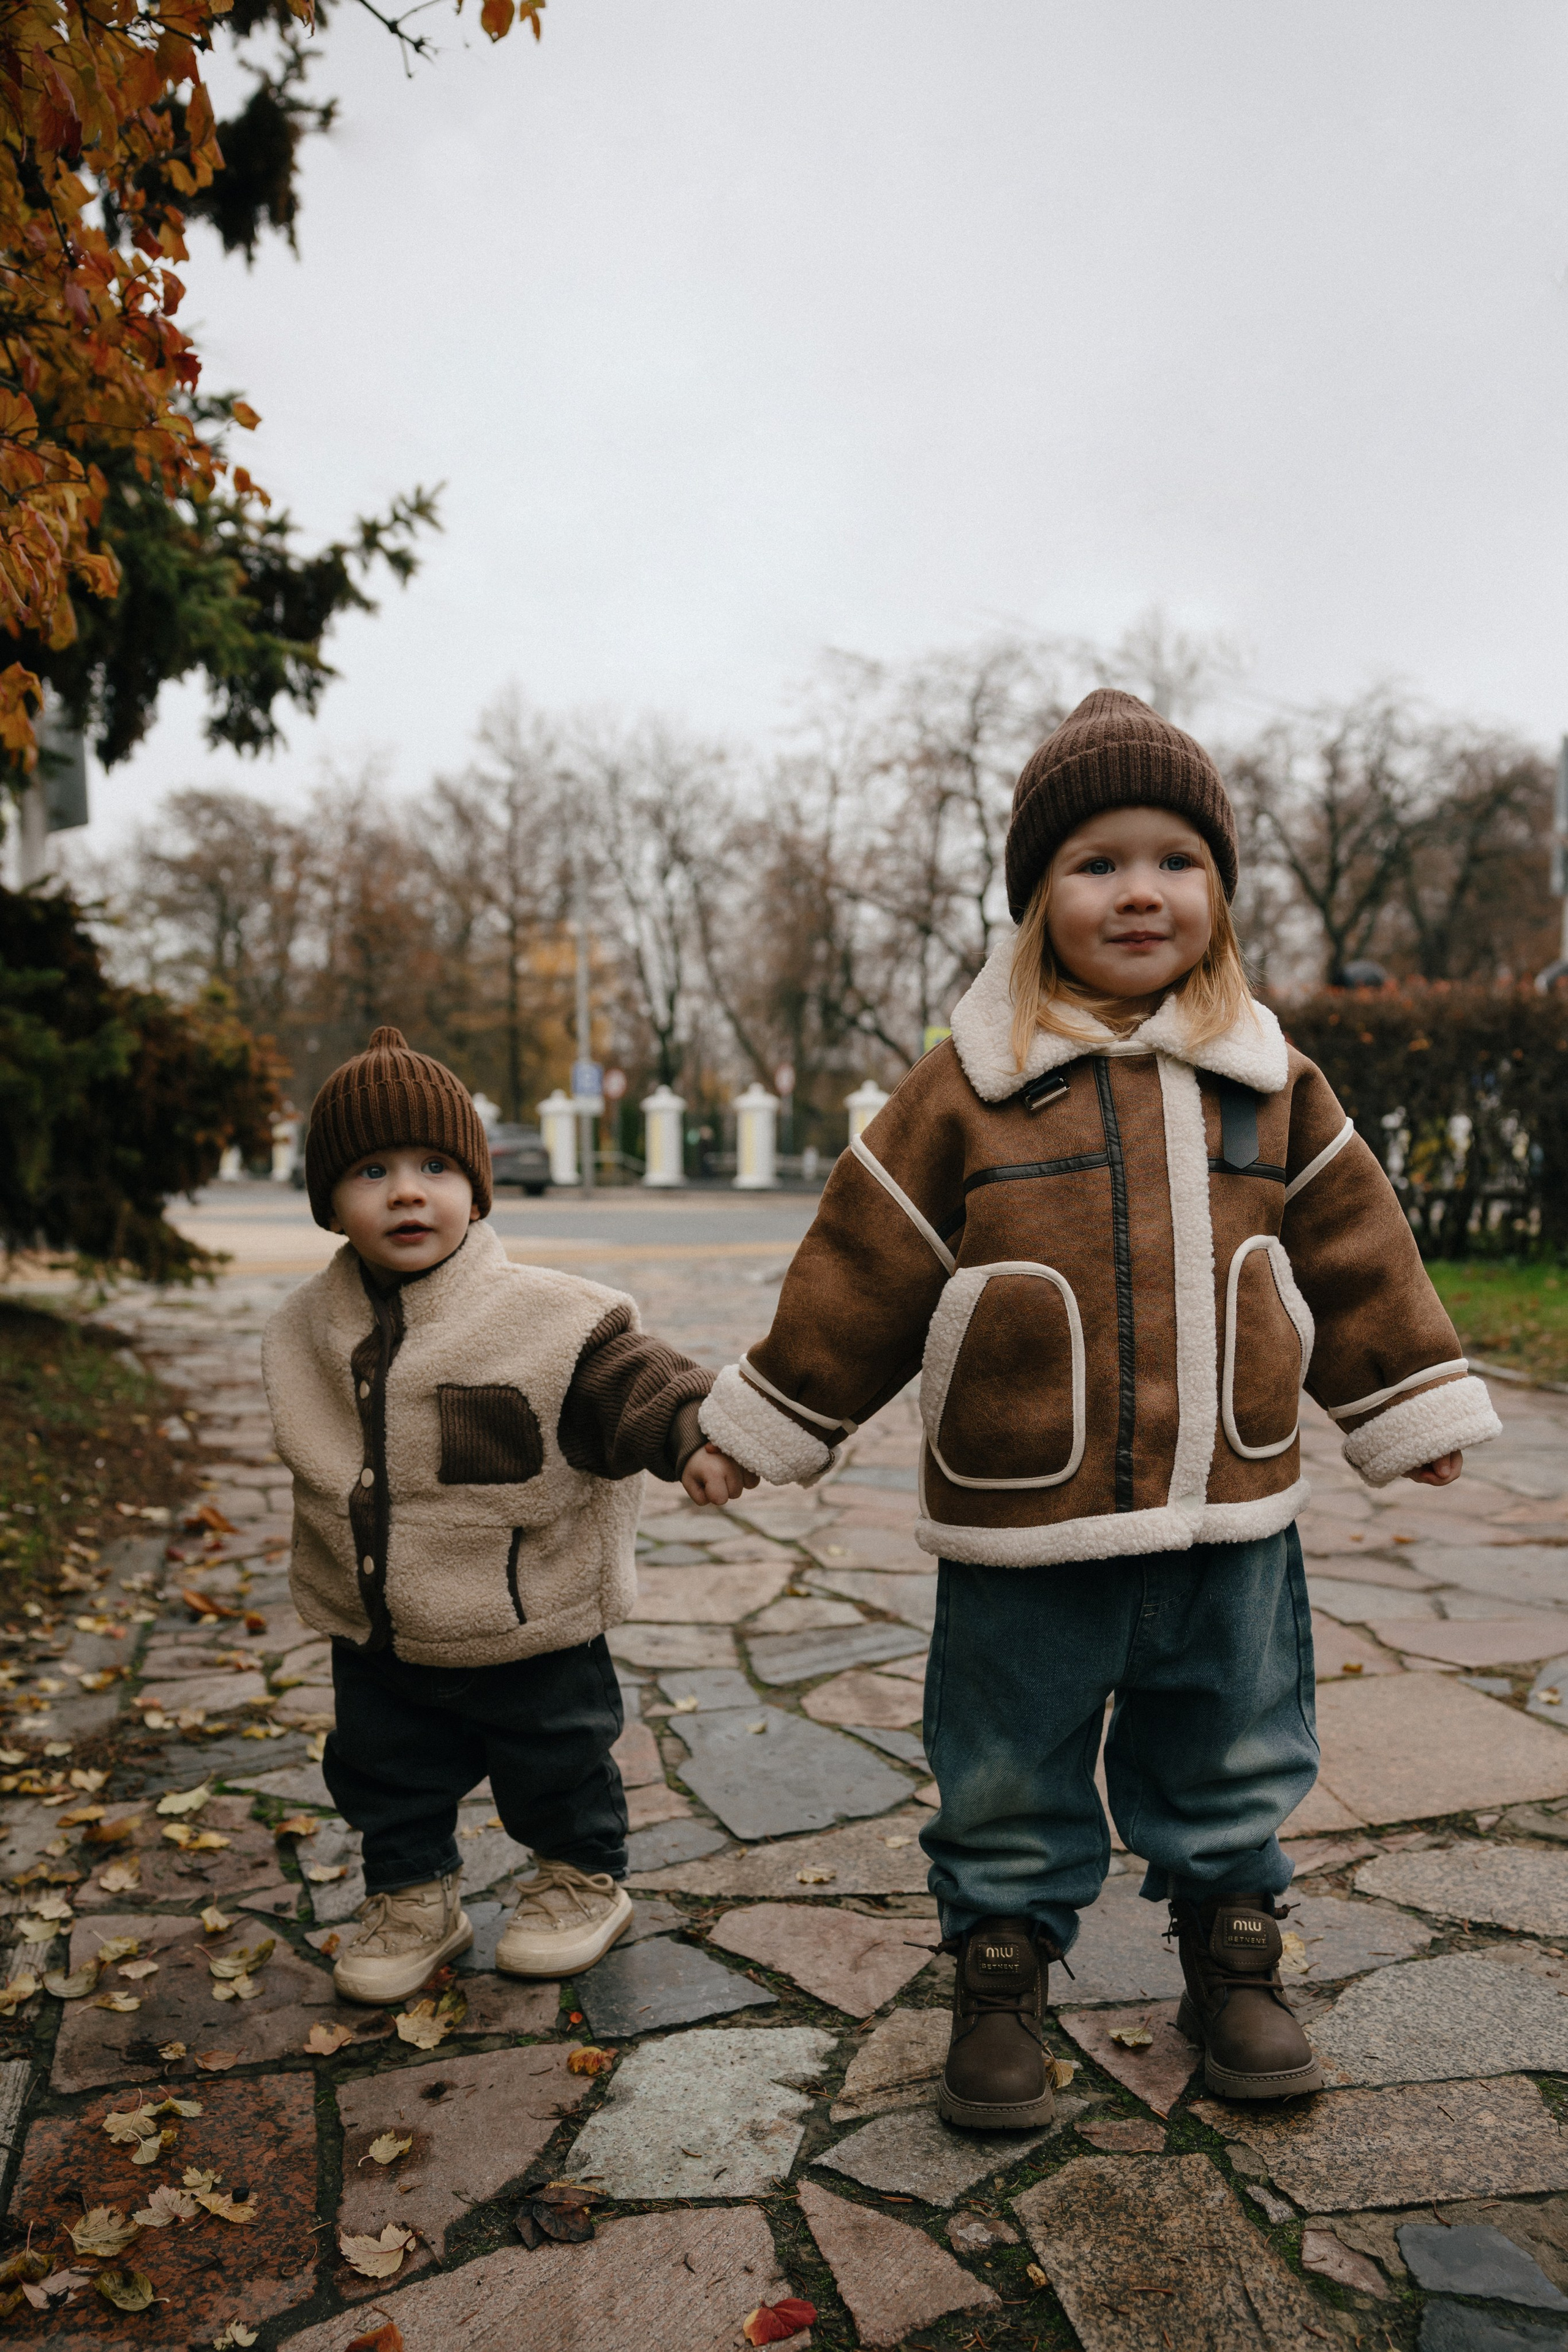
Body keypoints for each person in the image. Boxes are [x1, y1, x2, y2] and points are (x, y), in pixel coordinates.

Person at [696, 689, 1500, 2123]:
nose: (1140, 890)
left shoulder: (1265, 1085)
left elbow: (1355, 1245)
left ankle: (1229, 1952)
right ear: (1034, 898)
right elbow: (864, 1261)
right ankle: (1001, 1961)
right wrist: (768, 1424)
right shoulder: (969, 1091)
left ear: (1219, 891)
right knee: (1004, 1758)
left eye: (1174, 860)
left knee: (1232, 1744)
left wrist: (1404, 1400)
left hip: (1226, 1512)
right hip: (1025, 1513)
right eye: (1095, 862)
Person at [262, 1026, 752, 2003]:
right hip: (380, 1628)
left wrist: (692, 1434)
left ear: (476, 1189)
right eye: (372, 1170)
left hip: (531, 1621)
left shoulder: (548, 1316)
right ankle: (413, 1895)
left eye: (435, 1166)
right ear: (330, 1202)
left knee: (557, 1763)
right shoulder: (302, 1330)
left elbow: (632, 1382)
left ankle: (582, 1878)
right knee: (383, 1772)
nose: (408, 1191)